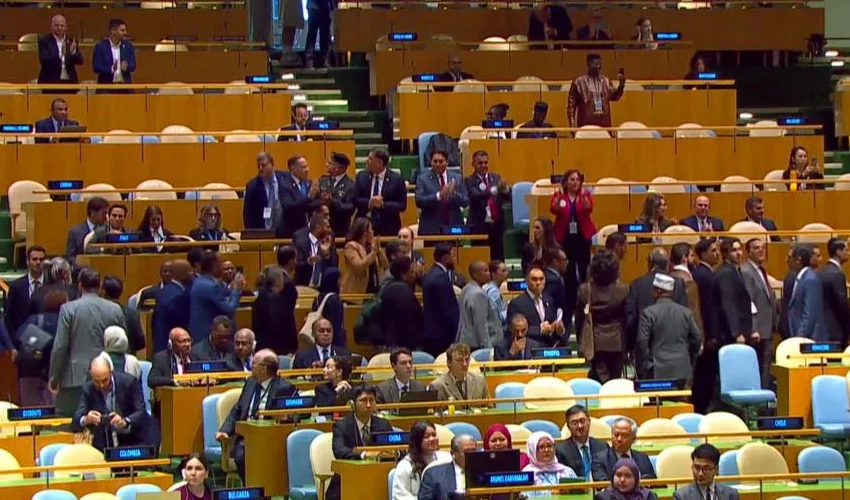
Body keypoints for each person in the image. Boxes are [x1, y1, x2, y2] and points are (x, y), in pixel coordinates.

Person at [49, 268, 126, 417]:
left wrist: (54, 378)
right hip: (109, 374)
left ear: (79, 285)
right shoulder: (115, 309)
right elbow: (122, 342)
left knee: (75, 421)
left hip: (75, 375)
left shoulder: (68, 309)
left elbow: (61, 346)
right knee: (106, 421)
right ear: (100, 286)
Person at [216, 349, 296, 479]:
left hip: (269, 438)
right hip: (246, 437)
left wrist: (287, 417)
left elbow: (300, 411)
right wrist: (225, 430)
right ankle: (252, 489)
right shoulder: (250, 382)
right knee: (242, 455)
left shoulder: (285, 388)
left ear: (263, 368)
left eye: (254, 363)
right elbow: (238, 408)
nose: (251, 366)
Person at [72, 357, 158, 451]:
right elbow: (76, 419)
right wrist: (86, 419)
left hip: (134, 437)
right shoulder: (88, 389)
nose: (101, 385)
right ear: (91, 375)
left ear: (111, 372)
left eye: (105, 380)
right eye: (96, 381)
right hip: (104, 442)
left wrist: (125, 421)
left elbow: (141, 411)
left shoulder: (129, 382)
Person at [327, 385, 394, 500]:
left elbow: (394, 447)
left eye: (371, 400)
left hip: (378, 478)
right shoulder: (342, 426)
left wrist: (392, 453)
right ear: (353, 404)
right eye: (363, 400)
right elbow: (339, 451)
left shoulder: (383, 424)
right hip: (348, 480)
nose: (368, 405)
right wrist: (364, 455)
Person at [635, 273, 702, 383]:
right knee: (682, 400)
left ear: (658, 291)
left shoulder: (648, 313)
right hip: (683, 370)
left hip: (657, 371)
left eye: (653, 290)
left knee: (658, 400)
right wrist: (688, 356)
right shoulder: (686, 312)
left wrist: (646, 364)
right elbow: (697, 337)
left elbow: (641, 342)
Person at [575, 250, 628, 383]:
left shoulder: (585, 290)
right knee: (615, 383)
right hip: (617, 342)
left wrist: (580, 341)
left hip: (595, 343)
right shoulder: (624, 290)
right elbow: (628, 319)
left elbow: (579, 320)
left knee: (600, 383)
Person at [625, 248, 688, 354]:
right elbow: (684, 314)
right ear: (668, 263)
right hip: (673, 344)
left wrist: (629, 346)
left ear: (649, 262)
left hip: (646, 347)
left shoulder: (637, 284)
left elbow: (631, 319)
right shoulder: (678, 283)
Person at [551, 168, 595, 312]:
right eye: (572, 179)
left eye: (577, 180)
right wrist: (558, 199)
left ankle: (585, 300)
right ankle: (570, 303)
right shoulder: (559, 195)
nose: (575, 182)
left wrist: (583, 197)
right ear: (565, 182)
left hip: (582, 237)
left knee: (584, 269)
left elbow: (588, 209)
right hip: (565, 237)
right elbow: (554, 209)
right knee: (568, 270)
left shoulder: (585, 194)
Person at [16, 289, 68, 406]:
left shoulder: (34, 319)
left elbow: (19, 336)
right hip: (54, 374)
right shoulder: (65, 321)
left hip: (29, 372)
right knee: (54, 416)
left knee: (31, 414)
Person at [740, 238, 777, 386]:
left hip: (766, 328)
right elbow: (749, 302)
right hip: (757, 332)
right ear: (748, 252)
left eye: (762, 247)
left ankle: (765, 404)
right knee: (758, 370)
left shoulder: (760, 269)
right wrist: (753, 329)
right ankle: (758, 406)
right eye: (756, 248)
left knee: (765, 370)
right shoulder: (746, 271)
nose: (761, 250)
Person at [188, 251, 244, 342]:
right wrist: (237, 289)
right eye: (220, 263)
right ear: (214, 265)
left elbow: (221, 297)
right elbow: (228, 308)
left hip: (199, 334)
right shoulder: (211, 285)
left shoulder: (200, 281)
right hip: (208, 337)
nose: (222, 266)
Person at [464, 150, 510, 260]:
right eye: (480, 163)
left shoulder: (496, 177)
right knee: (481, 259)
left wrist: (505, 190)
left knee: (498, 258)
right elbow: (475, 196)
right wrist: (495, 190)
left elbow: (506, 198)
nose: (484, 165)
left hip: (496, 225)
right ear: (473, 164)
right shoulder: (469, 180)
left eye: (485, 162)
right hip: (479, 225)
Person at [692, 238, 720, 414]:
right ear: (703, 254)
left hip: (706, 335)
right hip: (708, 336)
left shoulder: (703, 273)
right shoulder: (705, 275)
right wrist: (711, 336)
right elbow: (709, 309)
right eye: (713, 251)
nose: (717, 254)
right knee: (705, 377)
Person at [506, 266, 567, 346]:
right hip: (529, 350)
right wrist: (540, 330)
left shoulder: (550, 300)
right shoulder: (516, 303)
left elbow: (552, 324)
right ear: (527, 281)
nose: (538, 283)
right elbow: (513, 330)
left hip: (549, 348)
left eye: (541, 279)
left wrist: (559, 330)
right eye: (534, 279)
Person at [353, 148, 407, 237]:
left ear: (379, 163)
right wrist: (370, 202)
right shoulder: (361, 176)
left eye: (370, 158)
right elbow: (355, 199)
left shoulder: (396, 179)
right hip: (364, 226)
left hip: (389, 227)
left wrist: (382, 204)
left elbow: (402, 205)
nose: (367, 161)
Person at [392, 420, 452, 500]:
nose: (432, 439)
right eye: (427, 436)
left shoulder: (446, 459)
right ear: (417, 440)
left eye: (434, 435)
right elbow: (399, 496)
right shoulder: (405, 466)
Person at [415, 150, 469, 237]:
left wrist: (454, 194)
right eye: (435, 161)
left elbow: (465, 201)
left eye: (441, 161)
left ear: (447, 162)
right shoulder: (422, 179)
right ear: (431, 162)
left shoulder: (457, 178)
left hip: (453, 226)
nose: (438, 164)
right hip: (431, 228)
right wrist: (439, 195)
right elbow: (419, 201)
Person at [713, 238, 754, 346]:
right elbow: (728, 303)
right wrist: (736, 333)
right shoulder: (726, 273)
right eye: (734, 250)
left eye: (739, 249)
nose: (738, 253)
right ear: (725, 254)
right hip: (730, 334)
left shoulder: (735, 270)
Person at [421, 244, 460, 356]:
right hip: (441, 335)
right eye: (452, 255)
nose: (454, 259)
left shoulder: (432, 273)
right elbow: (448, 309)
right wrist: (456, 331)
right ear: (445, 257)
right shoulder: (440, 278)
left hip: (432, 332)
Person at [567, 53, 625, 128]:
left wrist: (621, 85)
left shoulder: (606, 81)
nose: (599, 66)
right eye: (596, 64)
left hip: (604, 124)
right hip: (585, 124)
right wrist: (572, 126)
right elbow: (571, 107)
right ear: (588, 64)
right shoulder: (578, 82)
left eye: (600, 64)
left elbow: (615, 96)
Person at [555, 405, 610, 479]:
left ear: (589, 422)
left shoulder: (602, 446)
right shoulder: (561, 450)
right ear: (568, 426)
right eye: (575, 423)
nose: (580, 426)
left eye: (582, 421)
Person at [380, 257, 424, 350]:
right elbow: (414, 318)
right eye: (411, 272)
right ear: (403, 275)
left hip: (391, 341)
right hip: (404, 344)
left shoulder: (389, 287)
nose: (414, 275)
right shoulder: (402, 291)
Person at [458, 261, 502, 350]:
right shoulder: (478, 294)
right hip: (477, 345)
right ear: (475, 275)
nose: (489, 273)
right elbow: (481, 325)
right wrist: (488, 350)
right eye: (485, 271)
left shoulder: (466, 288)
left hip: (466, 341)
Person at [787, 243, 828, 340]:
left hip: (810, 338)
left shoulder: (810, 279)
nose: (788, 261)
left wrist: (799, 338)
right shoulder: (802, 277)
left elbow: (809, 313)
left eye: (791, 258)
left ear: (798, 260)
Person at [418, 434, 478, 500]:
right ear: (453, 453)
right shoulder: (433, 474)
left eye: (474, 451)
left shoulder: (483, 471)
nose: (472, 456)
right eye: (467, 452)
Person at [251, 264, 294, 355]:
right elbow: (278, 326)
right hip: (275, 349)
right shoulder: (275, 299)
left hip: (262, 345)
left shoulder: (260, 295)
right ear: (277, 280)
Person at [152, 259, 192, 353]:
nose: (192, 274)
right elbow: (181, 326)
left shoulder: (163, 291)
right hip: (172, 349)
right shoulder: (179, 296)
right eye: (189, 271)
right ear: (180, 273)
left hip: (160, 344)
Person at [672, 444, 739, 500]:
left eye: (706, 468)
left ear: (716, 469)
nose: (700, 473)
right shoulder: (681, 496)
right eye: (697, 468)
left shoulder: (731, 495)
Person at [6, 245, 46, 337]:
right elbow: (9, 317)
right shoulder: (16, 286)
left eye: (41, 259)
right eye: (34, 259)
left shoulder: (51, 285)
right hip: (21, 338)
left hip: (46, 340)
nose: (38, 262)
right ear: (27, 262)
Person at [342, 217, 388, 295]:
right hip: (356, 292)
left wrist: (379, 251)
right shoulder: (351, 246)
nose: (373, 232)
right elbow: (358, 267)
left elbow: (385, 264)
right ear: (364, 232)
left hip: (374, 290)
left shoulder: (372, 246)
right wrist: (373, 253)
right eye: (371, 230)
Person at [243, 151, 287, 231]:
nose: (260, 169)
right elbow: (247, 215)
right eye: (258, 166)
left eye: (263, 165)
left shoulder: (285, 178)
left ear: (272, 164)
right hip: (262, 231)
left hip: (283, 230)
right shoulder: (252, 186)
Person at [102, 276, 145, 353]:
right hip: (127, 359)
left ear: (103, 291)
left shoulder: (99, 313)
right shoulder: (131, 313)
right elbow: (140, 343)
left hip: (103, 359)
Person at [294, 213, 337, 287]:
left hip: (323, 288)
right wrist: (309, 261)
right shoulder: (300, 241)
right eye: (327, 227)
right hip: (304, 286)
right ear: (318, 228)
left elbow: (335, 266)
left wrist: (326, 254)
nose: (330, 230)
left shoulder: (329, 239)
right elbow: (296, 265)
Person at [38, 15, 83, 87]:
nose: (59, 28)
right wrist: (63, 54)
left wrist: (73, 52)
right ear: (51, 26)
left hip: (69, 82)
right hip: (50, 81)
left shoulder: (71, 40)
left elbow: (80, 61)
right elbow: (44, 60)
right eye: (57, 25)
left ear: (66, 27)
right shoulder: (44, 40)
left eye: (62, 26)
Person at [821, 237, 850, 344]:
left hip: (825, 328)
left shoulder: (824, 270)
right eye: (846, 250)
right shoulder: (836, 274)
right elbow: (841, 305)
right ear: (838, 252)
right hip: (836, 329)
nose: (849, 253)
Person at [319, 152, 356, 238]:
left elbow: (349, 208)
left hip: (339, 229)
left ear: (337, 167)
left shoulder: (351, 185)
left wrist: (332, 201)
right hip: (321, 228)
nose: (326, 165)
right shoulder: (323, 181)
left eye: (329, 163)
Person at [92, 18, 135, 86]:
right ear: (113, 31)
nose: (125, 33)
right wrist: (112, 68)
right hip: (106, 87)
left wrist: (126, 67)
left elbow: (133, 66)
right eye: (122, 30)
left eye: (125, 30)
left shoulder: (128, 46)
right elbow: (96, 67)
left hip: (125, 87)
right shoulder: (101, 47)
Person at [669, 243, 702, 330]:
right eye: (692, 256)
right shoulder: (687, 280)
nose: (694, 259)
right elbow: (694, 311)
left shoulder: (669, 276)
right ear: (684, 258)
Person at [66, 196, 108, 264]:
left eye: (107, 213)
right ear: (92, 213)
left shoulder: (107, 230)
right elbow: (70, 257)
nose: (106, 216)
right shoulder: (75, 232)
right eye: (103, 213)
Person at [594, 458, 659, 500]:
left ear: (636, 479)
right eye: (618, 475)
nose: (622, 480)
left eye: (628, 476)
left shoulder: (649, 496)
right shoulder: (603, 498)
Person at [304, 0, 334, 69]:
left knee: (323, 35)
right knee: (315, 34)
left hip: (321, 6)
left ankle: (321, 61)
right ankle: (314, 61)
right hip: (315, 6)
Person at [484, 260, 509, 328]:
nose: (507, 273)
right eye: (503, 271)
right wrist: (510, 310)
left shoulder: (492, 288)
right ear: (493, 274)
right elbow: (495, 316)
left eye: (507, 270)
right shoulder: (493, 292)